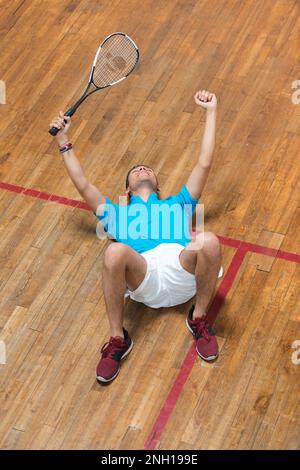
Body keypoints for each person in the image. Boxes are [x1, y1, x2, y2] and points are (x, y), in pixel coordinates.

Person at [49, 89, 222, 384]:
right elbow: (82, 184)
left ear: (157, 187)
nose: (142, 169)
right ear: (127, 190)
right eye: (135, 170)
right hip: (146, 278)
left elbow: (204, 163)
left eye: (147, 169)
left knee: (209, 239)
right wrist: (63, 141)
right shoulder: (115, 214)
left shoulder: (178, 203)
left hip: (184, 273)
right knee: (113, 252)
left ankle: (199, 318)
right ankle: (118, 339)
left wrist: (211, 111)